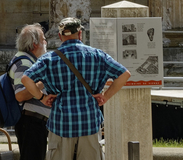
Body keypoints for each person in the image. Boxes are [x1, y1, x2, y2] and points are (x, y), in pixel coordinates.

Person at [20, 18, 130, 160]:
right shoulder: (97, 55)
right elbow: (124, 74)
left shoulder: (49, 59)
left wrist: (42, 97)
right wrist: (106, 96)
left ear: (60, 36)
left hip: (61, 124)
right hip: (89, 123)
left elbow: (26, 79)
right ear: (80, 34)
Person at [10, 25, 53, 160]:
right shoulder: (23, 62)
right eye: (43, 40)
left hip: (35, 122)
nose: (46, 43)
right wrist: (43, 82)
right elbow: (20, 95)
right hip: (31, 122)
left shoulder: (30, 61)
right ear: (34, 44)